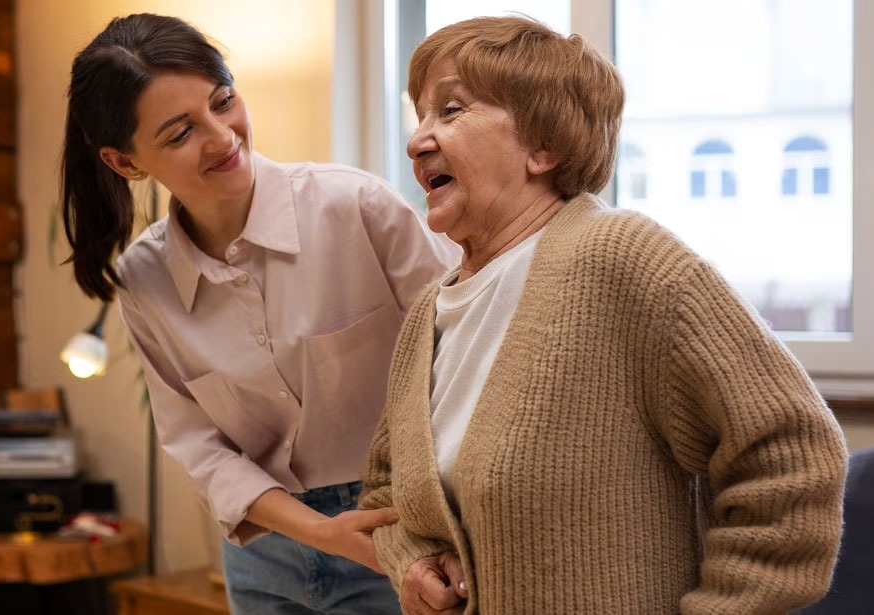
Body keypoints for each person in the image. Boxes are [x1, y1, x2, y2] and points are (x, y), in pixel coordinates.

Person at [359, 15, 848, 615]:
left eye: (452, 110)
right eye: (421, 117)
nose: (417, 141)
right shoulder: (431, 311)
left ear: (545, 146)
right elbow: (385, 487)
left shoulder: (623, 259)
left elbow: (792, 455)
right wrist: (410, 561)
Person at [60, 13, 456, 614]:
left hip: (395, 528)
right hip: (261, 555)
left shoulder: (356, 208)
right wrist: (318, 530)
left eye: (223, 102)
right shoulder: (144, 280)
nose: (221, 136)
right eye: (179, 133)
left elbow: (464, 355)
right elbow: (198, 443)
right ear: (125, 162)